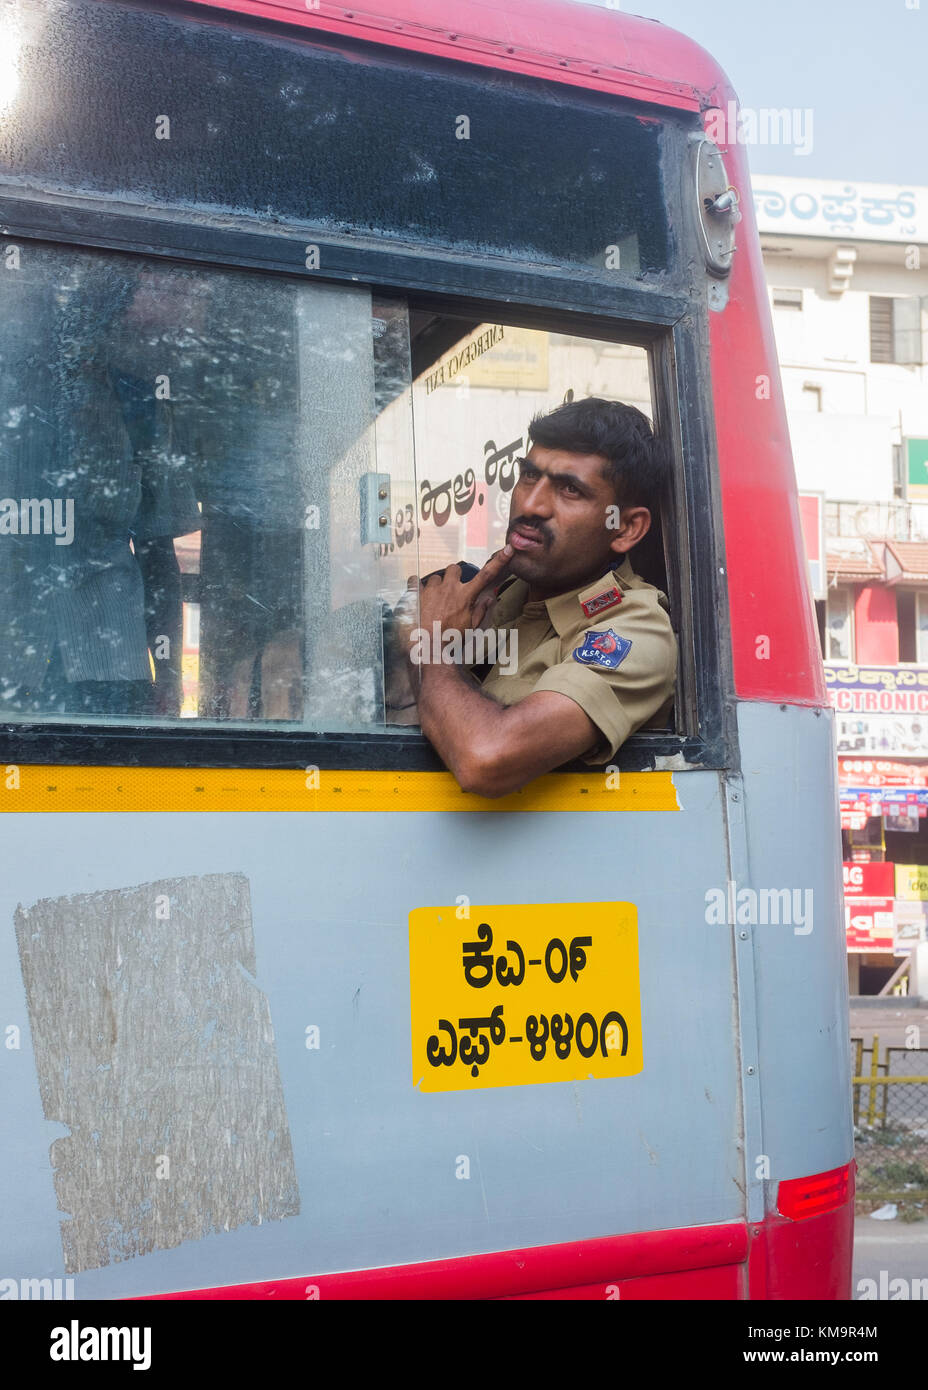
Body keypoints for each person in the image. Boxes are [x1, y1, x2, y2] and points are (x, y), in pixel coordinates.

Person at [390, 396, 677, 797]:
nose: (531, 504)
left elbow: (485, 757)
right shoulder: (500, 594)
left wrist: (429, 646)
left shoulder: (634, 630)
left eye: (570, 490)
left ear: (626, 528)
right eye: (529, 476)